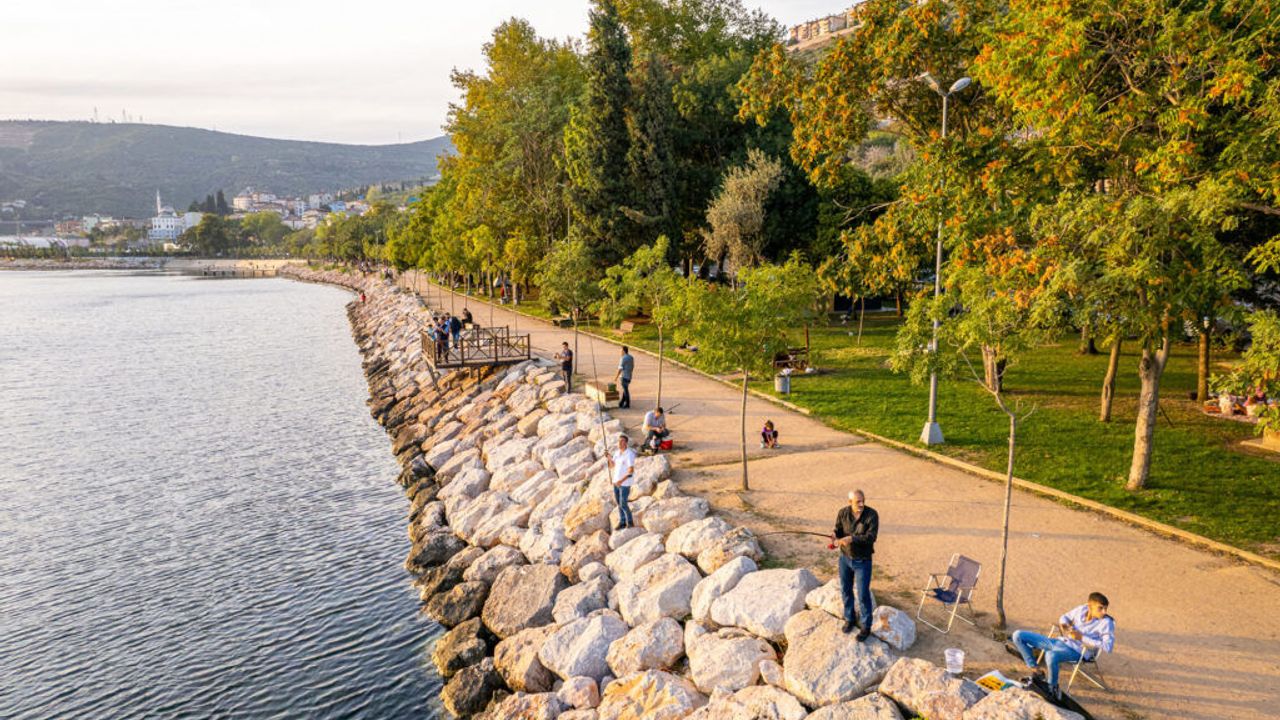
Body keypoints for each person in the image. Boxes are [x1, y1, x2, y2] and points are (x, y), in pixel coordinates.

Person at [1009, 593, 1115, 700]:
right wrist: (1065, 625)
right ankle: (1037, 671)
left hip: (1078, 651)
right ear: (1089, 606)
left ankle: (1052, 688)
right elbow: (1064, 617)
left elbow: (1108, 646)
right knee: (1018, 635)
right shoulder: (1081, 609)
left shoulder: (1107, 622)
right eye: (1100, 608)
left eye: (1105, 608)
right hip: (1060, 642)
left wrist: (1081, 637)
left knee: (1050, 655)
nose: (1104, 612)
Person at [832, 489, 878, 639]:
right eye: (858, 501)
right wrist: (834, 536)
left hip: (863, 561)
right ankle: (849, 619)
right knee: (846, 590)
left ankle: (866, 627)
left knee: (863, 594)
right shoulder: (843, 513)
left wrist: (851, 538)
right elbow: (838, 530)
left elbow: (871, 537)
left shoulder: (872, 515)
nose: (862, 504)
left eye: (863, 500)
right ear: (849, 502)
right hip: (845, 559)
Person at [607, 435, 637, 529]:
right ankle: (622, 522)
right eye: (619, 441)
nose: (619, 443)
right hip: (616, 482)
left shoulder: (629, 454)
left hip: (624, 484)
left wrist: (621, 480)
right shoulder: (617, 453)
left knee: (623, 503)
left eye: (622, 441)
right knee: (619, 503)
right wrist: (609, 458)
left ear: (626, 443)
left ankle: (630, 522)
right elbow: (612, 466)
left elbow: (631, 471)